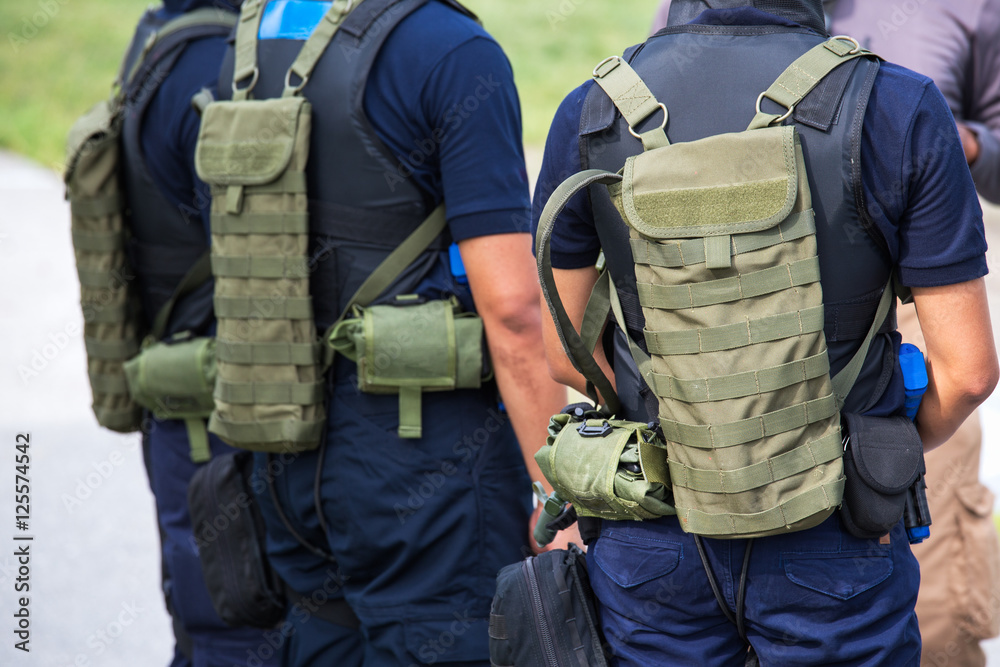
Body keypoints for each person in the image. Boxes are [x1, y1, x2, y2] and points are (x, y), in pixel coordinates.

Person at [534, 0, 998, 664]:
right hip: (835, 531)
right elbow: (968, 372)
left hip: (654, 528)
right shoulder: (899, 105)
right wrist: (868, 457)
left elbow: (564, 352)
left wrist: (699, 436)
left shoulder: (594, 107)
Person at [211, 0, 568, 664]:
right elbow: (515, 311)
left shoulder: (258, 36)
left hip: (285, 448)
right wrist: (557, 495)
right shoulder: (452, 51)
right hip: (424, 467)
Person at [824, 5, 1000, 665]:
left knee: (937, 605)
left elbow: (968, 375)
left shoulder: (967, 9)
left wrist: (962, 144)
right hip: (746, 325)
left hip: (916, 324)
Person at [116, 1, 284, 664]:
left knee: (204, 626)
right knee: (238, 630)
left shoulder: (156, 40)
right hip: (226, 419)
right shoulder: (220, 70)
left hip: (181, 409)